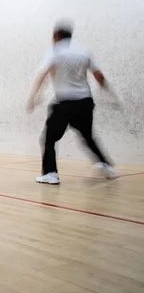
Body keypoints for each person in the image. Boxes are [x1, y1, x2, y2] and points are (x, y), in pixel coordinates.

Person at [27, 20, 119, 185]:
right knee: (87, 136)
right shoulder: (84, 50)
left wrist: (34, 97)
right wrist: (112, 95)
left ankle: (50, 174)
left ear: (56, 36)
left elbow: (43, 75)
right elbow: (99, 76)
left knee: (48, 139)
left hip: (65, 104)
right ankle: (105, 165)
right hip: (85, 102)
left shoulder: (54, 51)